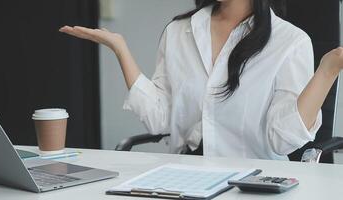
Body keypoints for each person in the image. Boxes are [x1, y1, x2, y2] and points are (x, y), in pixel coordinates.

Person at [60, 0, 343, 160]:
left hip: (251, 182)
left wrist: (327, 70)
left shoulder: (289, 41)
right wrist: (120, 48)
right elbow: (161, 118)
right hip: (184, 175)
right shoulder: (179, 30)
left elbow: (282, 141)